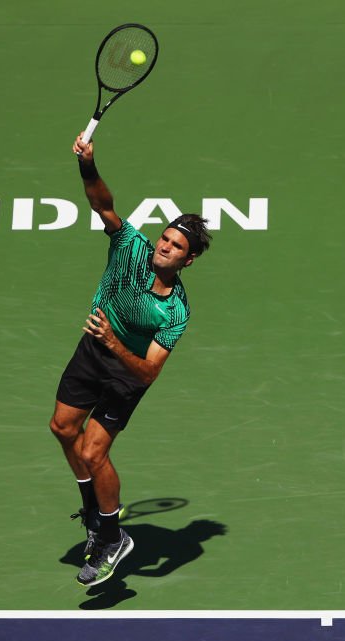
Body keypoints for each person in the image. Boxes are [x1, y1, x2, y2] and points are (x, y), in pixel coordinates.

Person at [49, 133, 211, 587]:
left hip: (127, 375)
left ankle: (112, 537)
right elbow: (102, 205)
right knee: (62, 429)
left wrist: (117, 344)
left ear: (189, 260)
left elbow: (150, 372)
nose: (164, 246)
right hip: (91, 352)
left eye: (176, 247)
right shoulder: (130, 247)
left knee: (93, 451)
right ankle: (96, 510)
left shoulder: (176, 312)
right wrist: (87, 165)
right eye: (165, 238)